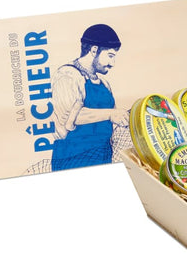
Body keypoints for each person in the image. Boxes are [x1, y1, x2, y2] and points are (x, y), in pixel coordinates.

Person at [50, 24, 129, 171]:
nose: (112, 63)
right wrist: (110, 114)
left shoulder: (104, 83)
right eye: (110, 56)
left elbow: (114, 116)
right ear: (94, 50)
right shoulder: (68, 75)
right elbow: (67, 117)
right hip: (74, 159)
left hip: (104, 156)